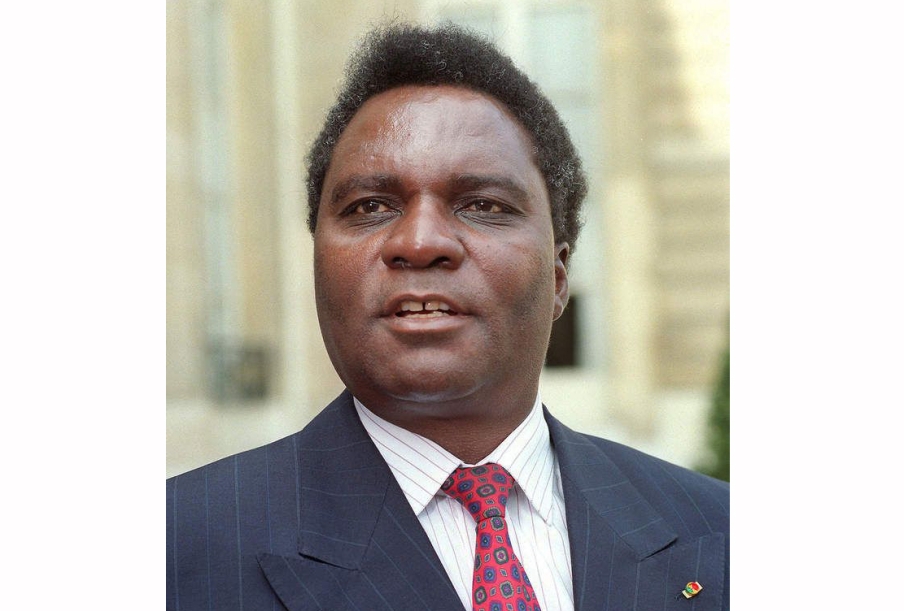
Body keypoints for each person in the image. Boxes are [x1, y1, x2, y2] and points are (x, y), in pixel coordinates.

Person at [167, 22, 729, 611]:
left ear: (559, 276)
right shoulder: (173, 553)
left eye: (482, 204)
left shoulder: (722, 534)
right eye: (370, 206)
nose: (419, 241)